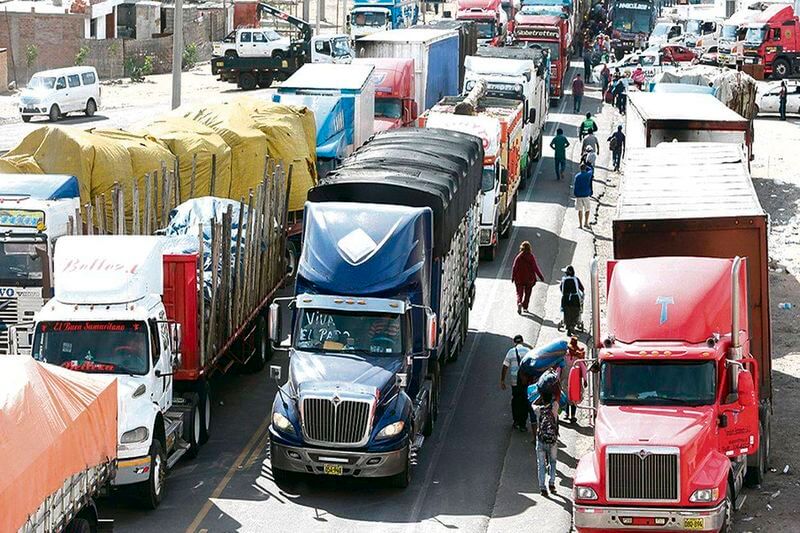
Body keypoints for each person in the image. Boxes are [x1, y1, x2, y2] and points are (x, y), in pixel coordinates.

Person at [501, 334, 533, 432]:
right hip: (526, 382)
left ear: (514, 342)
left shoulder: (511, 352)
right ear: (522, 341)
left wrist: (502, 380)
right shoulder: (528, 351)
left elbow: (505, 366)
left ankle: (516, 421)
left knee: (516, 401)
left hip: (515, 382)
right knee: (524, 401)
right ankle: (523, 423)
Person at [532, 390, 560, 495]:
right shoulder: (554, 408)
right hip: (552, 440)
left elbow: (532, 404)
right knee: (553, 462)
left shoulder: (539, 410)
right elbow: (558, 398)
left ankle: (542, 487)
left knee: (541, 464)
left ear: (542, 398)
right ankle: (552, 483)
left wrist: (540, 396)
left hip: (541, 440)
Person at [511, 241, 545, 314]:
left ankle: (519, 302)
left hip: (519, 278)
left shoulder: (519, 257)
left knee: (519, 293)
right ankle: (525, 307)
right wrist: (541, 276)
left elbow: (514, 267)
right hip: (529, 279)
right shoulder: (531, 256)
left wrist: (513, 277)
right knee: (528, 293)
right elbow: (535, 267)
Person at [563, 336, 585, 423]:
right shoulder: (564, 357)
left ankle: (573, 415)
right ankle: (566, 413)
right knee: (566, 397)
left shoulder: (578, 358)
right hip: (564, 380)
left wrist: (585, 379)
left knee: (574, 398)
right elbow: (560, 367)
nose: (570, 351)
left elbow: (583, 368)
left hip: (575, 381)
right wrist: (557, 376)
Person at [560, 266, 585, 337]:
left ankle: (568, 327)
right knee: (575, 312)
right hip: (575, 299)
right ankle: (573, 326)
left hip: (565, 299)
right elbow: (582, 288)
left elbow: (561, 289)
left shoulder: (563, 280)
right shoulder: (576, 279)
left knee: (567, 313)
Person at [573, 164, 593, 229]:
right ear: (585, 169)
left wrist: (575, 193)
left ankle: (580, 225)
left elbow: (575, 186)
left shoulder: (577, 176)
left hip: (579, 195)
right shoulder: (588, 175)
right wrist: (587, 166)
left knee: (580, 210)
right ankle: (586, 223)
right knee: (587, 209)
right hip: (586, 194)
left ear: (580, 169)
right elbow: (591, 169)